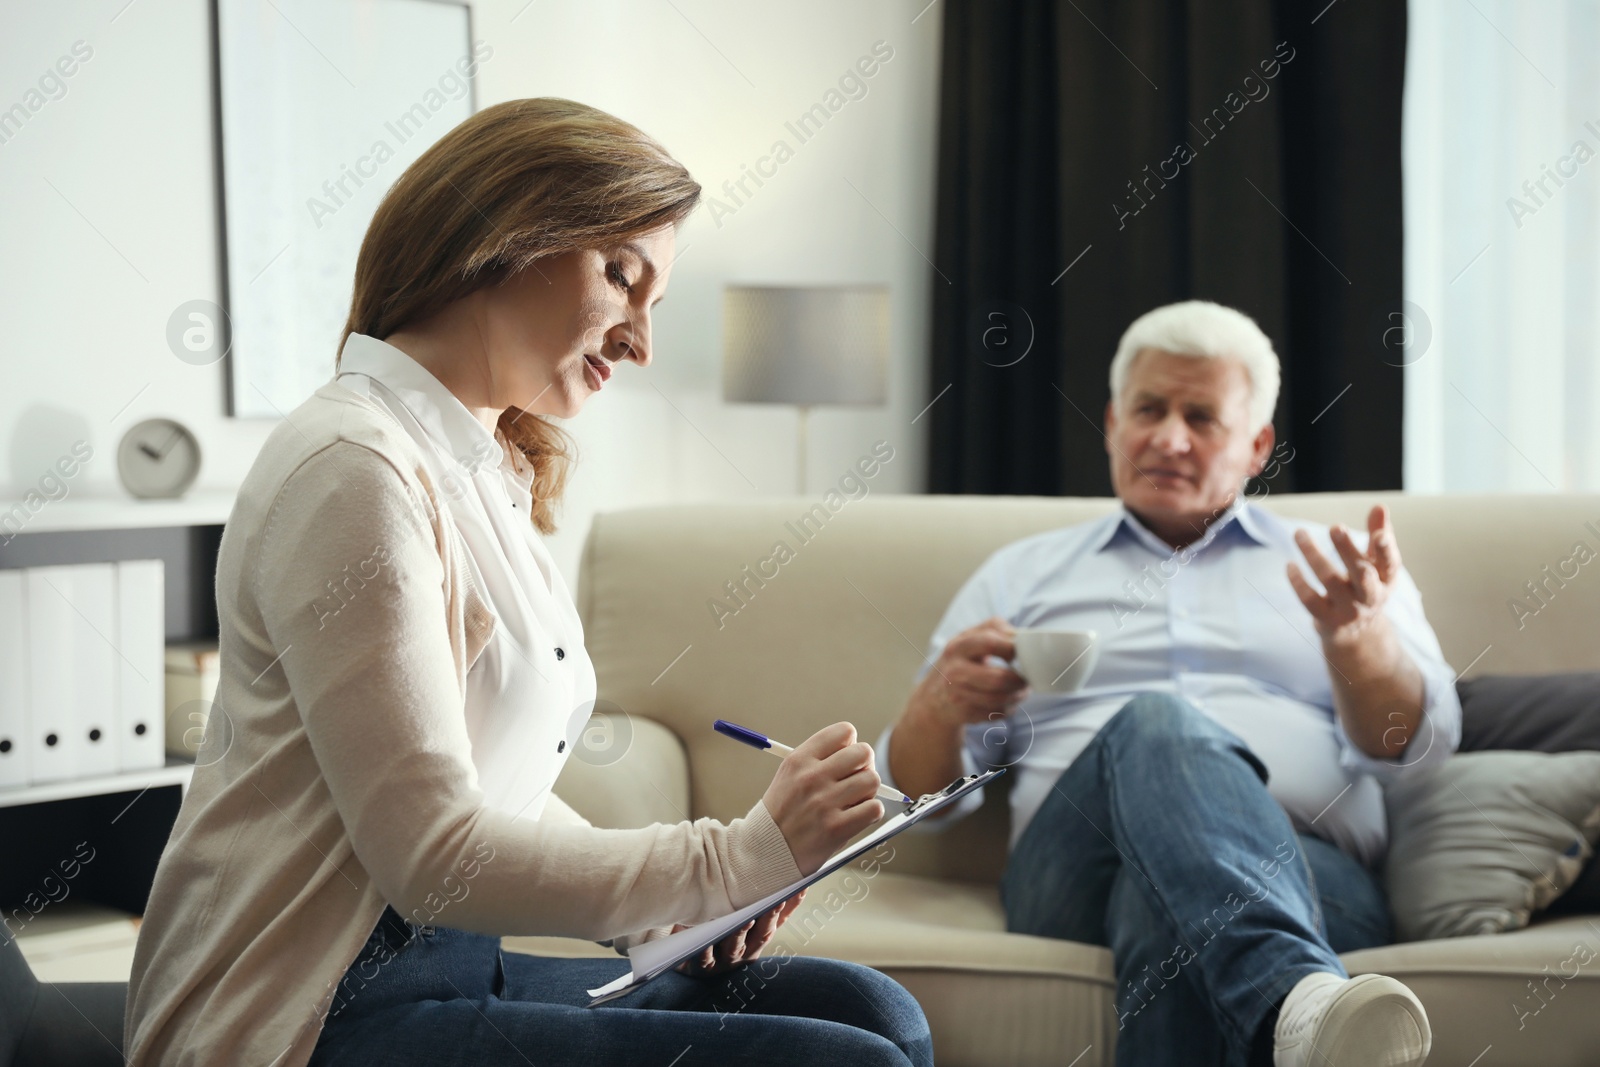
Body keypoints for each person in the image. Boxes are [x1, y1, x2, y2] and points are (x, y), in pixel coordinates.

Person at [123, 98, 932, 1067]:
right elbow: (430, 855)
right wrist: (730, 857)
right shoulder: (355, 467)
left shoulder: (478, 467)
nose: (640, 340)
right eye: (620, 276)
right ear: (503, 235)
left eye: (652, 302)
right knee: (847, 1058)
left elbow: (493, 785)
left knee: (876, 1009)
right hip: (312, 1007)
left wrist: (669, 912)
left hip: (450, 967)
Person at [880, 300, 1460, 1067]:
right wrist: (938, 707)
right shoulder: (1022, 573)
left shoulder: (1341, 568)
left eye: (1202, 416)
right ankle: (1297, 994)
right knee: (1156, 720)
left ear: (1257, 445)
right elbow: (918, 805)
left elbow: (1420, 747)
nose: (1168, 437)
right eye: (1148, 409)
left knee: (1162, 905)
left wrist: (1358, 641)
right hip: (1068, 872)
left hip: (1312, 866)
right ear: (1114, 424)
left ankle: (1288, 1003)